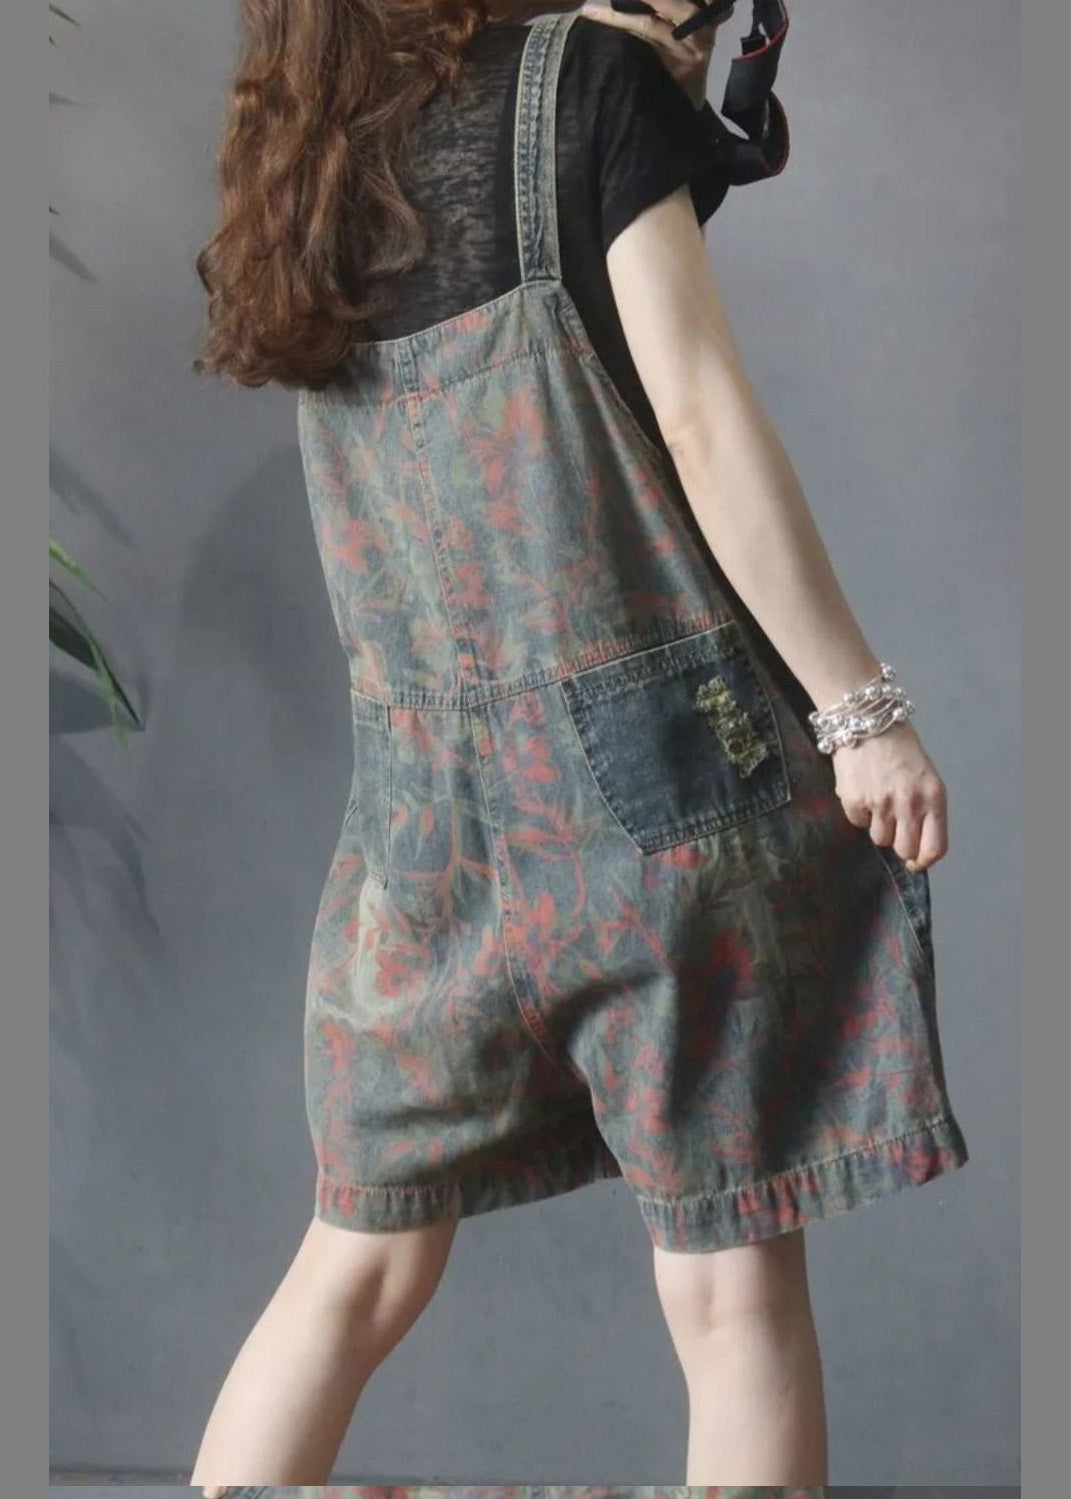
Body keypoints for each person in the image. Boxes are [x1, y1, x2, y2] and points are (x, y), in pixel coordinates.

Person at [188, 1, 969, 1490]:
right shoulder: (585, 87)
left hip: (422, 832)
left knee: (354, 1268)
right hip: (654, 802)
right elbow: (697, 414)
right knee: (730, 1293)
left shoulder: (308, 156)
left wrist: (651, 94)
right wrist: (859, 711)